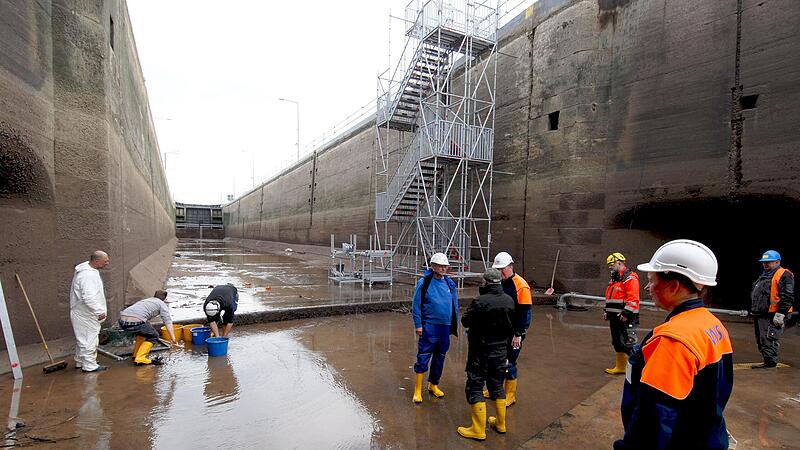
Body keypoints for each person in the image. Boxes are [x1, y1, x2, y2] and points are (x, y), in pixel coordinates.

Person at [615, 239, 733, 449]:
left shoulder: (673, 341)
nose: (647, 287)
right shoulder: (712, 324)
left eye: (652, 280)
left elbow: (653, 421)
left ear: (674, 285)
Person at [457, 268, 515, 441]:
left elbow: (466, 320)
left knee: (475, 385)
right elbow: (512, 325)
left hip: (480, 352)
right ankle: (501, 424)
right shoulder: (509, 300)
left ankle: (478, 429)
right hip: (500, 352)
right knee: (497, 386)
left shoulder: (480, 301)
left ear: (485, 282)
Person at [411, 252, 459, 404]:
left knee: (440, 356)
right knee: (423, 356)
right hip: (429, 326)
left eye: (446, 266)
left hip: (444, 327)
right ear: (433, 266)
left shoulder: (449, 283)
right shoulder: (424, 282)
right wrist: (419, 325)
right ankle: (418, 389)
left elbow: (454, 304)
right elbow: (416, 305)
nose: (444, 268)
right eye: (441, 266)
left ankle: (433, 384)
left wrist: (453, 324)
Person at [490, 251, 532, 406]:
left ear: (510, 266)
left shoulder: (521, 285)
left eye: (502, 269)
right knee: (497, 359)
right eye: (498, 269)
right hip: (502, 328)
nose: (500, 272)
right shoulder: (500, 282)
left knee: (509, 360)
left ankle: (510, 394)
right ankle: (496, 389)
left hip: (515, 330)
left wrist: (518, 334)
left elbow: (525, 312)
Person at [750, 250, 794, 369]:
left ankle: (770, 363)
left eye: (768, 262)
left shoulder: (784, 275)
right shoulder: (765, 275)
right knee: (761, 339)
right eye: (764, 262)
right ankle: (768, 361)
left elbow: (788, 296)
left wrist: (781, 314)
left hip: (772, 315)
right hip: (761, 314)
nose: (765, 264)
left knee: (769, 338)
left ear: (777, 262)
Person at [70, 250, 110, 373]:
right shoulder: (87, 275)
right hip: (86, 313)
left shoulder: (87, 271)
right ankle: (89, 365)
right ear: (96, 261)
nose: (107, 263)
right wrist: (99, 311)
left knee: (82, 338)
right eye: (105, 261)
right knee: (89, 339)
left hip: (83, 312)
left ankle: (80, 361)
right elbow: (88, 296)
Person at [603, 252, 641, 374]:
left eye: (611, 264)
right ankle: (621, 367)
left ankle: (637, 368)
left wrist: (626, 313)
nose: (609, 267)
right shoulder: (614, 280)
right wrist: (607, 311)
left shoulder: (630, 278)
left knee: (628, 343)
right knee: (617, 342)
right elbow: (610, 298)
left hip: (626, 317)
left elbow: (633, 299)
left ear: (619, 263)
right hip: (615, 317)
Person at [119, 290, 178, 365]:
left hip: (122, 321)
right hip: (135, 322)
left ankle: (136, 355)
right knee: (154, 336)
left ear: (155, 296)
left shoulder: (147, 300)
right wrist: (173, 338)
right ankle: (140, 358)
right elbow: (168, 322)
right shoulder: (162, 304)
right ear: (164, 299)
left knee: (143, 333)